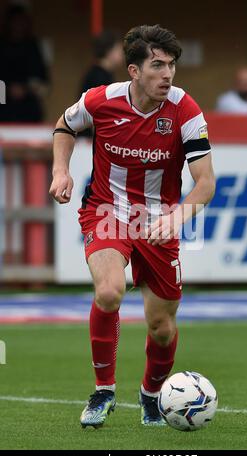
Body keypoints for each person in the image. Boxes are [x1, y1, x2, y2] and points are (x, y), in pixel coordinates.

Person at [49, 24, 215, 428]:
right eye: (157, 65)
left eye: (172, 65)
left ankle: (151, 395)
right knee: (109, 291)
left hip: (160, 221)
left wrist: (177, 216)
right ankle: (103, 391)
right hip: (107, 211)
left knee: (161, 328)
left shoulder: (186, 111)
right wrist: (60, 171)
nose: (168, 74)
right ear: (134, 71)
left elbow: (205, 183)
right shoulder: (101, 100)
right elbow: (65, 126)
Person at [0, 3, 49, 122]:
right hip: (3, 106)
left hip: (29, 108)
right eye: (14, 22)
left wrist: (25, 89)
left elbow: (43, 82)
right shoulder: (1, 45)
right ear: (8, 23)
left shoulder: (32, 46)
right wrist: (7, 89)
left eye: (21, 22)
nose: (18, 26)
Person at [78, 30, 123, 138]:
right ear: (109, 51)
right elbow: (97, 111)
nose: (122, 54)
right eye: (119, 50)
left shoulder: (104, 74)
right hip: (88, 139)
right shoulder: (98, 77)